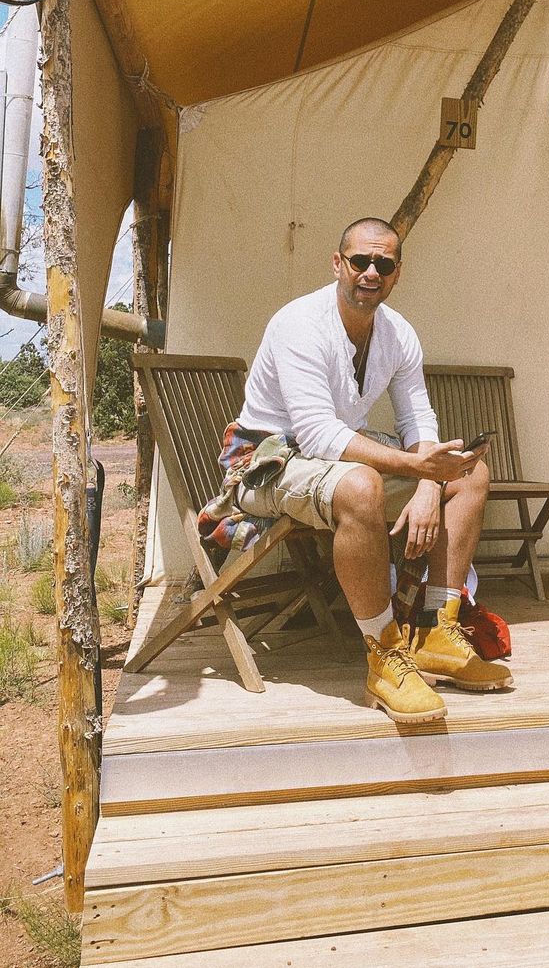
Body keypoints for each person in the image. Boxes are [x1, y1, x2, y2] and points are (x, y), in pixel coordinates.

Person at [206, 216, 512, 724]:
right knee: (362, 485)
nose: (371, 272)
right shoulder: (299, 323)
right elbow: (320, 434)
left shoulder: (398, 333)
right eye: (360, 261)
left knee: (471, 475)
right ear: (337, 264)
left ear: (397, 273)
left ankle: (437, 631)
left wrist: (432, 480)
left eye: (384, 264)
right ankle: (384, 655)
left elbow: (417, 415)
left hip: (335, 457)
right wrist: (419, 471)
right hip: (265, 463)